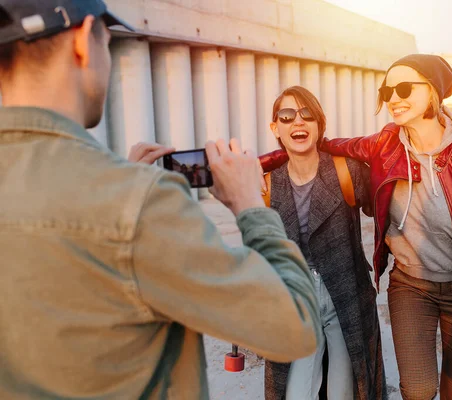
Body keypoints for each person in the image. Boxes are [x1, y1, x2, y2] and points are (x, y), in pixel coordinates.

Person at [0, 1, 320, 399]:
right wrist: (250, 205)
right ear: (84, 40)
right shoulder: (138, 201)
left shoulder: (127, 193)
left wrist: (123, 181)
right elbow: (294, 326)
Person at [260, 54, 452, 400]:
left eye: (403, 88)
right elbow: (318, 146)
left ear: (432, 92)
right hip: (410, 286)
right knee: (417, 389)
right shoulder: (384, 145)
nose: (392, 98)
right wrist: (259, 164)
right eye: (387, 91)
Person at [259, 86, 386, 400]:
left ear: (319, 125)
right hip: (296, 306)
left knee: (345, 390)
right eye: (287, 116)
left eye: (307, 115)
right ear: (275, 128)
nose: (298, 123)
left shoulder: (347, 170)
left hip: (344, 298)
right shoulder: (266, 184)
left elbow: (389, 209)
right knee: (296, 393)